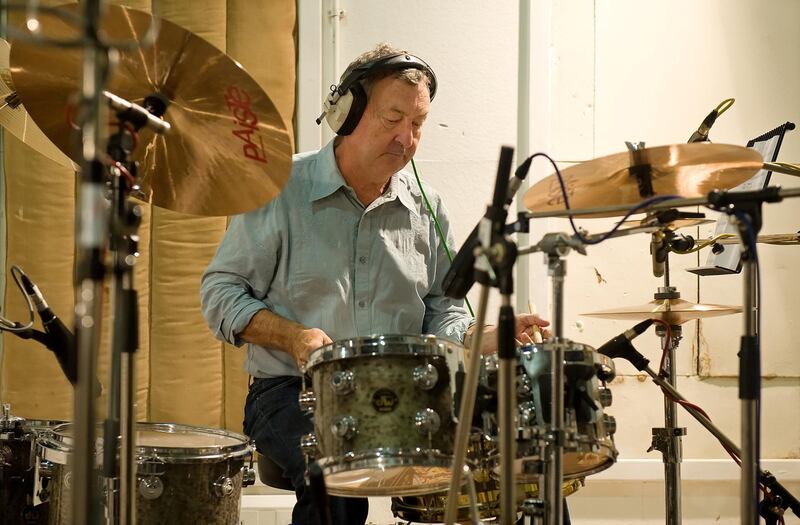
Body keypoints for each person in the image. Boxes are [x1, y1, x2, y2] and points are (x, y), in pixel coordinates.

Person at [200, 43, 550, 525]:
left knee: (526, 455)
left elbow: (442, 311)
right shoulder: (281, 187)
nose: (406, 138)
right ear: (347, 113)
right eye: (393, 119)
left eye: (419, 124)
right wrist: (293, 336)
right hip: (293, 392)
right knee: (337, 475)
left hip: (414, 393)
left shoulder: (426, 210)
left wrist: (480, 338)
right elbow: (221, 294)